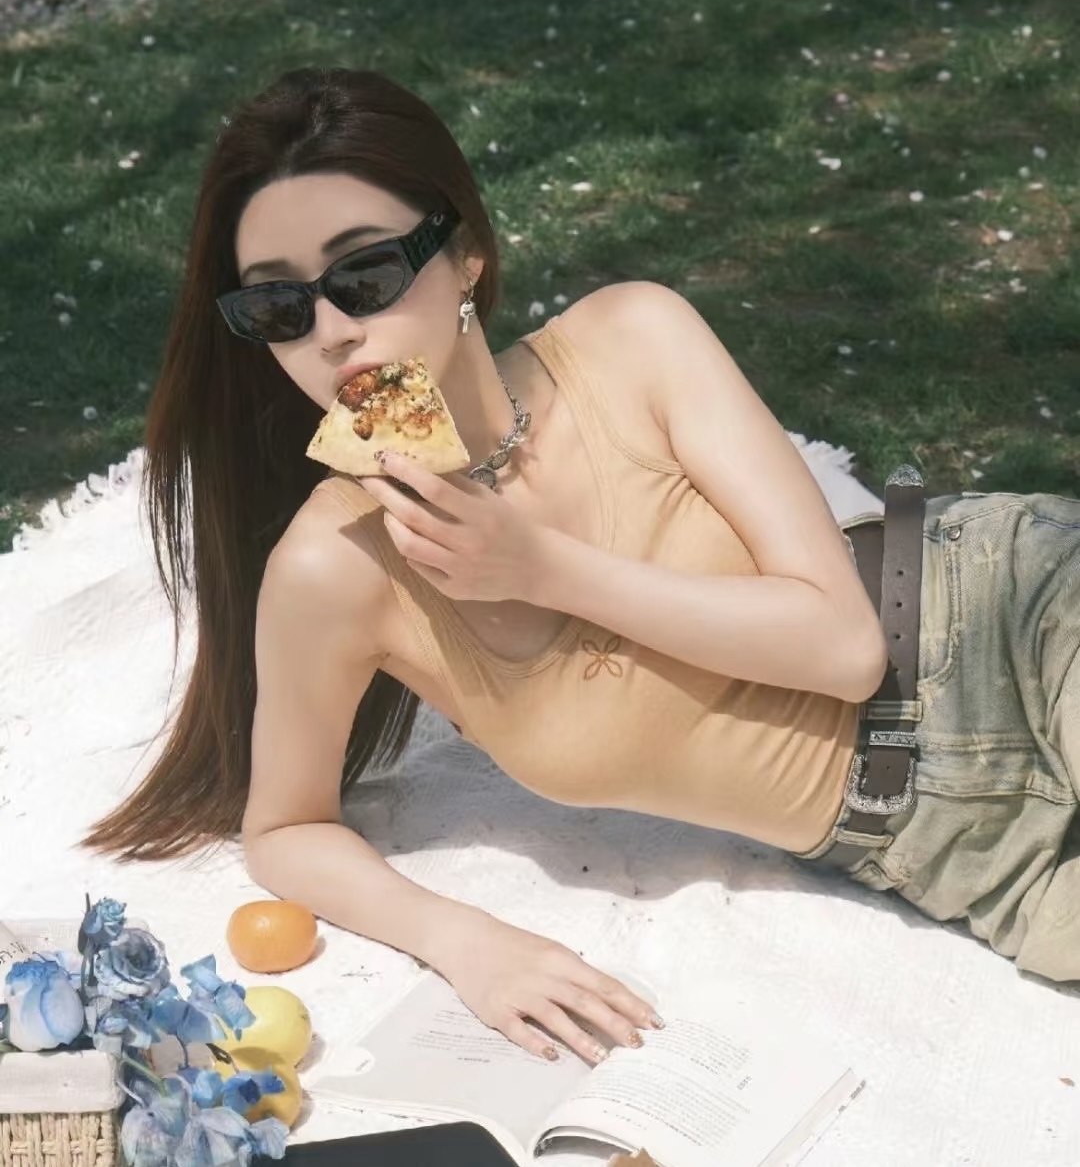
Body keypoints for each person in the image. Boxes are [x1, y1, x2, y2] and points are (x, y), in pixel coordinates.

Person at [83, 66, 1080, 1067]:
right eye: (279, 307)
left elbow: (846, 647)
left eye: (366, 274)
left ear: (466, 253)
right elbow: (285, 830)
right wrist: (467, 942)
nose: (333, 331)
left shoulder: (632, 338)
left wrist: (540, 567)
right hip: (949, 851)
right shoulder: (335, 565)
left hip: (1008, 621)